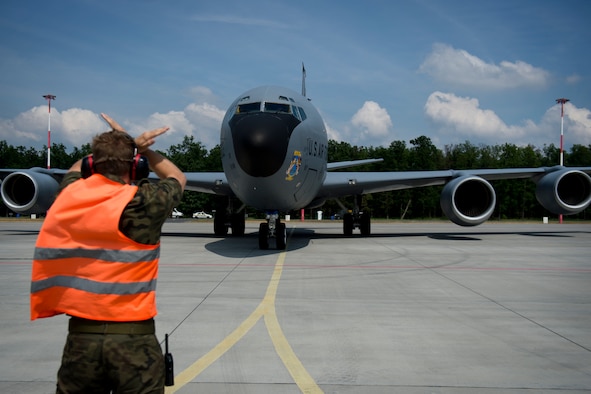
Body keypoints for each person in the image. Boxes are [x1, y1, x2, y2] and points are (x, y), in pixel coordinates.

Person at [30, 113, 187, 393]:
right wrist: (142, 148)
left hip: (81, 340)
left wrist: (111, 148)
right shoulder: (144, 203)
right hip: (134, 340)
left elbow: (75, 172)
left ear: (92, 164)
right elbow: (176, 177)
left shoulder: (69, 196)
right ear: (136, 166)